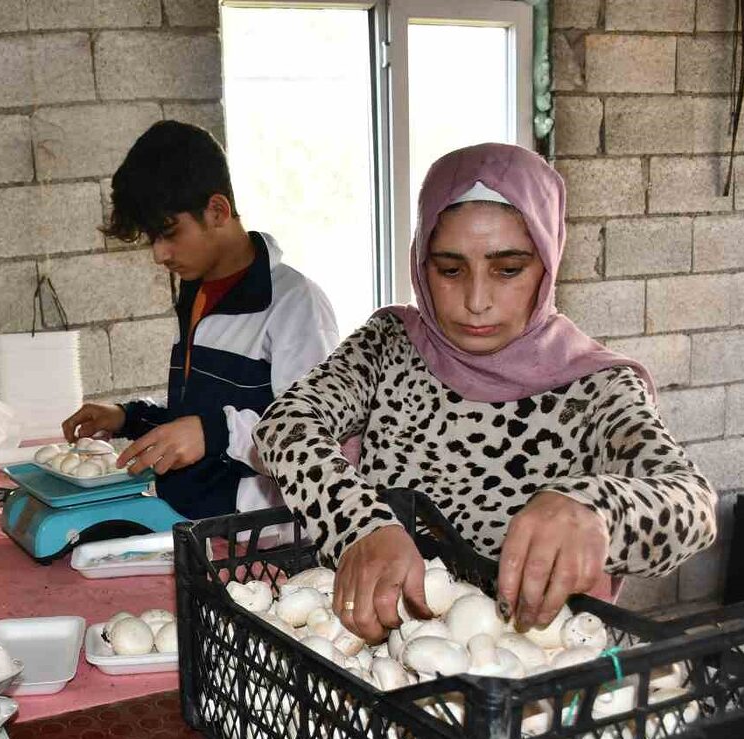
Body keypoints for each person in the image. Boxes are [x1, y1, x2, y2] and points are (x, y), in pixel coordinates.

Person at [253, 142, 716, 643]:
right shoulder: (389, 346)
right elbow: (284, 425)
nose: (476, 301)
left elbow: (693, 504)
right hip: (377, 651)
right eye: (449, 270)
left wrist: (595, 507)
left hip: (529, 673)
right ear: (421, 263)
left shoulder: (594, 388)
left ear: (547, 261)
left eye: (508, 270)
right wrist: (359, 524)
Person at [62, 120, 340, 520]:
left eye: (169, 233)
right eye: (150, 238)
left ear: (217, 211)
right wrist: (130, 415)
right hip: (188, 519)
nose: (159, 254)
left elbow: (315, 440)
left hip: (255, 538)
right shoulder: (197, 292)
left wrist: (215, 433)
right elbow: (199, 410)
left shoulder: (296, 305)